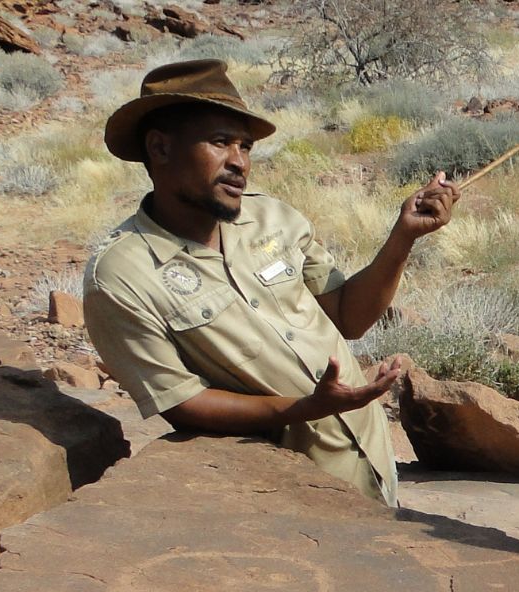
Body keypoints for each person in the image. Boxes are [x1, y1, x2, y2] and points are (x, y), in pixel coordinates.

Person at [82, 59, 458, 506]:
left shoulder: (273, 217)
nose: (239, 163)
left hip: (369, 453)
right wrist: (305, 409)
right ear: (160, 148)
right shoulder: (121, 275)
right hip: (283, 493)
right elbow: (181, 402)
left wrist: (403, 236)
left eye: (245, 146)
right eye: (220, 142)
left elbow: (347, 318)